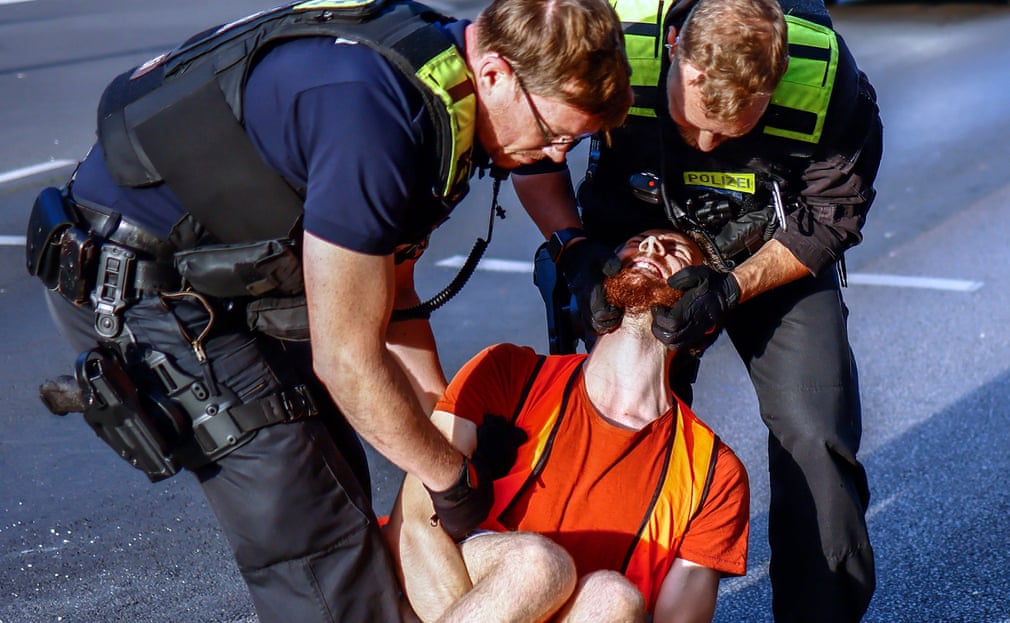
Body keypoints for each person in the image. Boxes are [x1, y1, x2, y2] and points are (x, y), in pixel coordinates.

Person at [23, 1, 632, 621]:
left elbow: (393, 298)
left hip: (227, 274)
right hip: (136, 288)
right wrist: (450, 479)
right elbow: (347, 362)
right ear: (498, 72)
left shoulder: (442, 73)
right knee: (322, 545)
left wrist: (446, 428)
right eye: (553, 133)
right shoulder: (378, 120)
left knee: (346, 485)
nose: (552, 154)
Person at [514, 0, 883, 620]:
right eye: (694, 122)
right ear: (674, 47)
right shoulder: (611, 39)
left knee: (815, 432)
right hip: (634, 229)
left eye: (732, 131)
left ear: (777, 77)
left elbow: (831, 219)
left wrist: (729, 290)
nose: (708, 144)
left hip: (774, 247)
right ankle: (600, 599)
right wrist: (574, 251)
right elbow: (529, 152)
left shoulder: (823, 77)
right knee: (619, 416)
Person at [384, 229, 750, 623]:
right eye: (635, 241)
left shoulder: (715, 473)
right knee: (538, 566)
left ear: (704, 313)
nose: (650, 246)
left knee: (613, 597)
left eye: (675, 249)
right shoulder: (508, 372)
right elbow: (415, 526)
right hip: (447, 589)